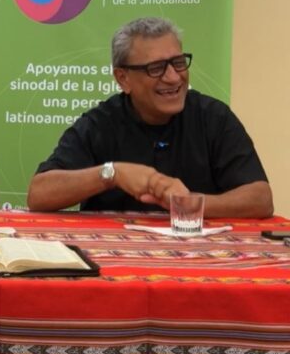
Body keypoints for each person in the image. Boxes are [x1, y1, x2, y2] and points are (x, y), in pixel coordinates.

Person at [27, 17, 273, 218]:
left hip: (199, 256)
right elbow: (39, 194)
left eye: (178, 63)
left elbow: (260, 199)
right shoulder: (100, 123)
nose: (173, 78)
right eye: (156, 68)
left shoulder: (213, 117)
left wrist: (187, 204)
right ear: (123, 78)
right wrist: (113, 174)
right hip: (115, 261)